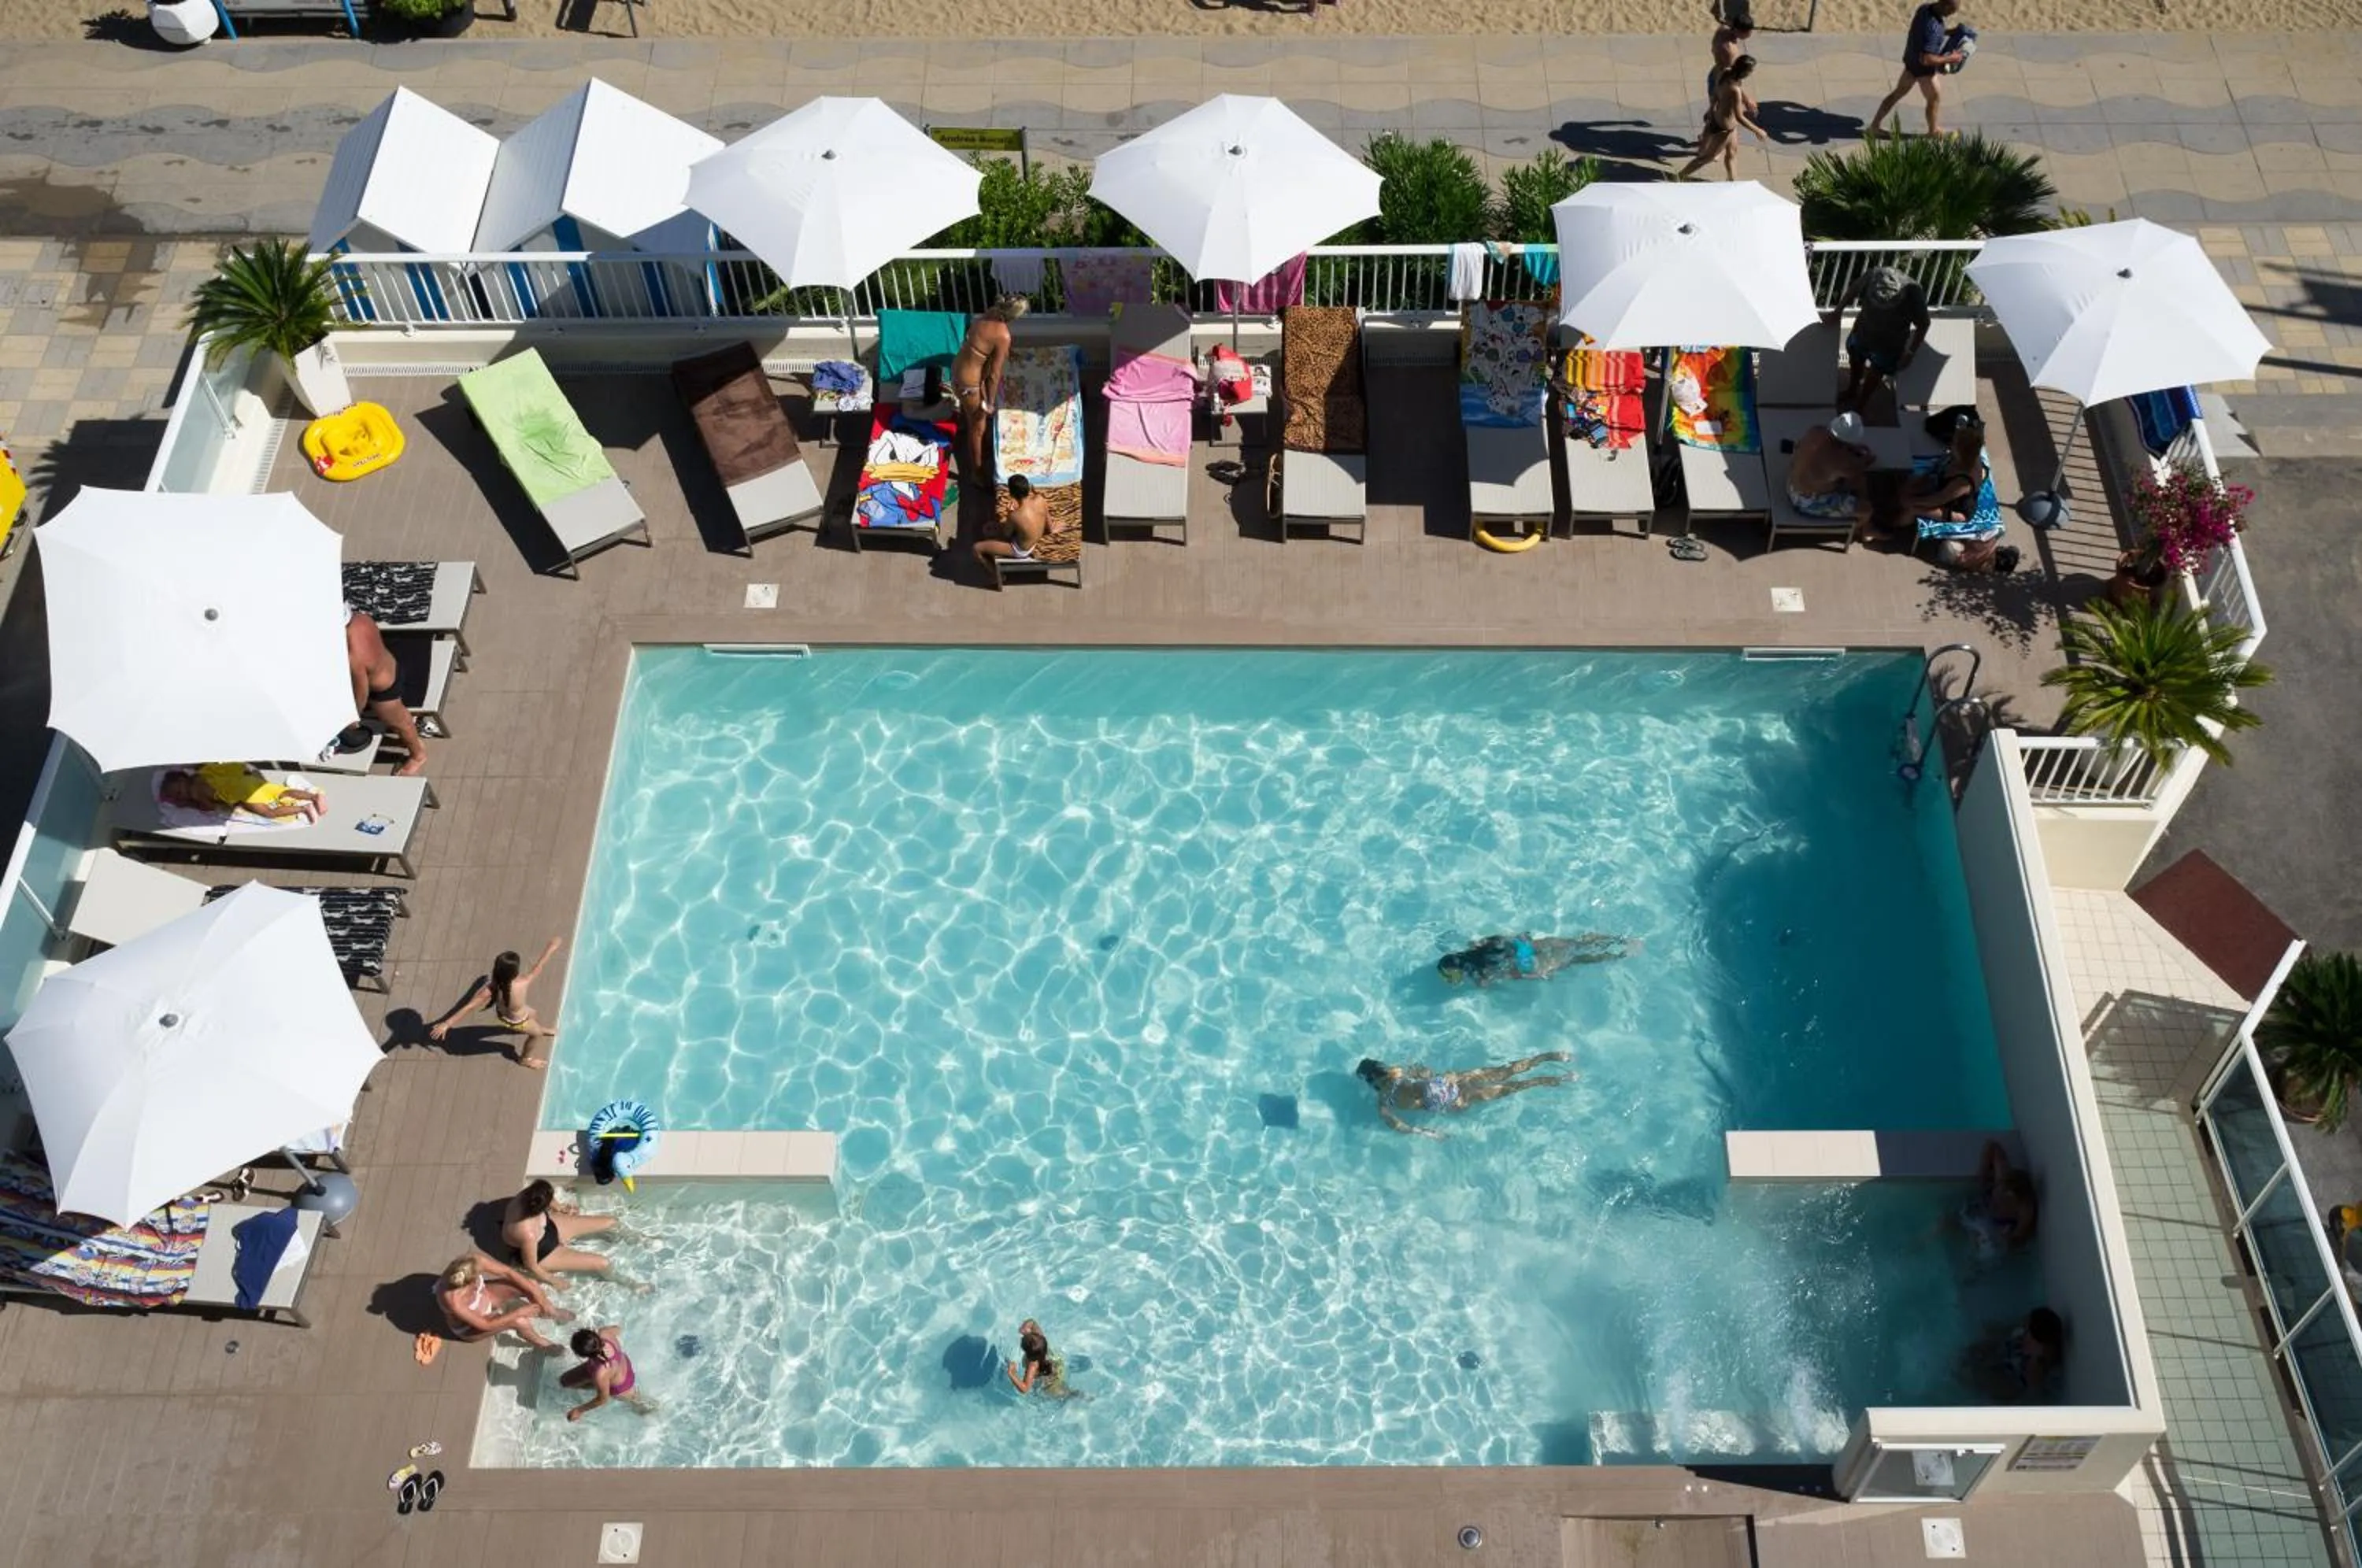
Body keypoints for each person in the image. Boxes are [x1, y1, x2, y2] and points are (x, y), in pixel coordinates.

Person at [1357, 1053, 1575, 1139]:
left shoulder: (1384, 1100)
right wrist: (1436, 1075)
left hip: (1449, 1099)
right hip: (1446, 1084)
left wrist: (1427, 1133)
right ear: (1380, 1068)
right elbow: (1424, 1072)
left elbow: (1398, 1125)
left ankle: (1553, 1077)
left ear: (1370, 1081)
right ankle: (1548, 1059)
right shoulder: (1395, 1072)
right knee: (1505, 1072)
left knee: (1510, 1086)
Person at [428, 937, 563, 1069]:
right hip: (516, 1021)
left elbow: (469, 1006)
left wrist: (447, 1024)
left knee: (533, 1013)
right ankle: (525, 1059)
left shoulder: (492, 987)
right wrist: (551, 948)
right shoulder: (524, 981)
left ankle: (538, 1028)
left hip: (510, 1014)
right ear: (516, 971)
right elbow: (539, 966)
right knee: (536, 1034)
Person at [1865, 0, 1970, 140]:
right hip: (1924, 71)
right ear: (1945, 5)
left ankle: (1874, 127)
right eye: (1951, 11)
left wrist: (1949, 32)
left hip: (1911, 63)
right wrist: (1951, 58)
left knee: (1896, 94)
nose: (1951, 15)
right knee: (1934, 98)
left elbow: (1926, 32)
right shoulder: (1934, 28)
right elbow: (1927, 59)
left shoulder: (1924, 9)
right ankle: (1933, 131)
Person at [344, 605, 428, 777]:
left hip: (383, 691)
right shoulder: (361, 620)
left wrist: (353, 717)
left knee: (401, 724)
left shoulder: (353, 655)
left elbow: (361, 692)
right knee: (402, 722)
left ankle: (418, 754)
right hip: (390, 663)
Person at [1832, 265, 1931, 412]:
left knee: (1876, 371)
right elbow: (1853, 290)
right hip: (1863, 331)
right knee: (1855, 355)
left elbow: (1924, 324)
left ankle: (1861, 405)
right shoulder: (1872, 276)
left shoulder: (1914, 292)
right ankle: (1852, 390)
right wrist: (1838, 311)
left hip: (1889, 344)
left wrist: (1910, 353)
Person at [953, 294, 1027, 479]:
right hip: (970, 385)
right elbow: (994, 375)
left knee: (971, 417)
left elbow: (984, 346)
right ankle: (977, 473)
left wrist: (1007, 351)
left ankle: (975, 443)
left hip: (958, 372)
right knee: (978, 428)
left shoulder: (987, 316)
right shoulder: (1003, 335)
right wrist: (990, 403)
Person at [502, 1178, 630, 1285]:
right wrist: (553, 1280)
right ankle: (627, 1283)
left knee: (612, 1223)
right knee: (603, 1263)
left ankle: (638, 1239)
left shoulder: (527, 1196)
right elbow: (531, 1266)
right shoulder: (526, 1232)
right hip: (544, 1252)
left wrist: (560, 1208)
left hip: (549, 1229)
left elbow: (547, 1197)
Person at [435, 1252, 570, 1351]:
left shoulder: (472, 1262)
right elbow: (486, 1325)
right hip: (472, 1327)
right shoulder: (453, 1300)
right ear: (467, 1284)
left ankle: (550, 1312)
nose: (477, 1284)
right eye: (474, 1284)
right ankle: (541, 1344)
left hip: (487, 1296)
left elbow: (507, 1272)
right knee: (519, 1321)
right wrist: (519, 1312)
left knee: (530, 1284)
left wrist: (537, 1294)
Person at [1675, 56, 1767, 182]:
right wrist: (1758, 130)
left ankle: (1732, 181)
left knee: (1732, 154)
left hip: (1723, 123)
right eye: (1751, 70)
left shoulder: (1726, 73)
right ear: (1744, 71)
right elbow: (1739, 117)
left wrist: (1711, 109)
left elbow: (1716, 94)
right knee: (1708, 157)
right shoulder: (1735, 91)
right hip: (1724, 129)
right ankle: (1679, 176)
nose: (1752, 73)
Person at [1784, 410, 1877, 531]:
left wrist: (1852, 448)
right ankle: (1860, 530)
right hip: (1805, 501)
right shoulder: (1837, 461)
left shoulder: (1816, 431)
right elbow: (1860, 468)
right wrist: (1867, 457)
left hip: (1792, 483)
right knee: (1867, 509)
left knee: (1851, 481)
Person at [1438, 934, 1637, 987]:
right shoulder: (1478, 946)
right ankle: (1622, 940)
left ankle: (1620, 955)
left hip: (1530, 964)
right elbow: (1503, 939)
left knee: (1577, 959)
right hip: (1525, 946)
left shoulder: (1482, 975)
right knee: (1576, 943)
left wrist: (1537, 975)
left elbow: (1513, 974)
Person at [1901, 413, 1989, 527]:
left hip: (1956, 509)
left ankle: (1898, 530)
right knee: (1906, 487)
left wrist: (1912, 501)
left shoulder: (1962, 482)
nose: (1951, 444)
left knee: (1911, 508)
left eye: (1954, 444)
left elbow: (1937, 500)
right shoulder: (1969, 455)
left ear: (1961, 452)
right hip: (1943, 486)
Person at [974, 474, 1073, 575]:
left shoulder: (1015, 515)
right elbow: (1048, 522)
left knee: (977, 548)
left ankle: (996, 575)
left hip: (1020, 550)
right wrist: (1052, 529)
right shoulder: (1040, 499)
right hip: (1031, 540)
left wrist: (1009, 513)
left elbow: (1006, 535)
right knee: (988, 528)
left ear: (1012, 494)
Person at [159, 764, 327, 823]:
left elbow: (210, 807)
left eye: (179, 792)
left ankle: (304, 809)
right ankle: (313, 796)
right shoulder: (201, 773)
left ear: (182, 780)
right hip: (247, 780)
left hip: (242, 793)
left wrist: (189, 803)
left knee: (269, 812)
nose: (182, 794)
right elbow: (224, 768)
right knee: (282, 792)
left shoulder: (195, 794)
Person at [1962, 1307, 2064, 1402]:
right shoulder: (2031, 1337)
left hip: (2012, 1378)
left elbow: (2031, 1394)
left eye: (2027, 1330)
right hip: (2011, 1354)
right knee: (1975, 1349)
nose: (2024, 1328)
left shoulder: (2037, 1366)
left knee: (1973, 1374)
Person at [1959, 1139, 2038, 1256]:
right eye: (2000, 1189)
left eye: (2005, 1200)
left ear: (2015, 1200)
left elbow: (2018, 1239)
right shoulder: (2003, 1179)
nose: (1999, 1197)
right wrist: (1982, 1176)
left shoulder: (2025, 1211)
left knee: (1981, 1251)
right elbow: (1993, 1146)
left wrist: (2005, 1238)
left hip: (1996, 1227)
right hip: (1981, 1208)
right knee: (1946, 1222)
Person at [562, 1326, 654, 1420]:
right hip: (623, 1366)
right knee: (565, 1381)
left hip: (622, 1388)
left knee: (641, 1406)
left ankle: (654, 1415)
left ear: (583, 1356)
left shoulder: (601, 1374)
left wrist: (579, 1410)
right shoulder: (605, 1333)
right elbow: (618, 1329)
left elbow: (602, 1399)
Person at [1005, 1318, 1079, 1400]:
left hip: (1050, 1383)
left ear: (1029, 1355)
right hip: (1056, 1365)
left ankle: (1077, 1396)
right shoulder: (1040, 1341)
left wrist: (1011, 1373)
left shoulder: (1033, 1365)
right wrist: (1025, 1327)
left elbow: (1025, 1389)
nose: (1023, 1337)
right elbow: (1032, 1322)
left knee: (1065, 1394)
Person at [1707, 6, 1754, 104]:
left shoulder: (1723, 29)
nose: (1750, 34)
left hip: (1716, 72)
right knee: (1724, 112)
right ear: (1739, 31)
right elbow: (1732, 79)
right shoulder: (1730, 51)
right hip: (1721, 83)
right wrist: (1746, 100)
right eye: (1748, 32)